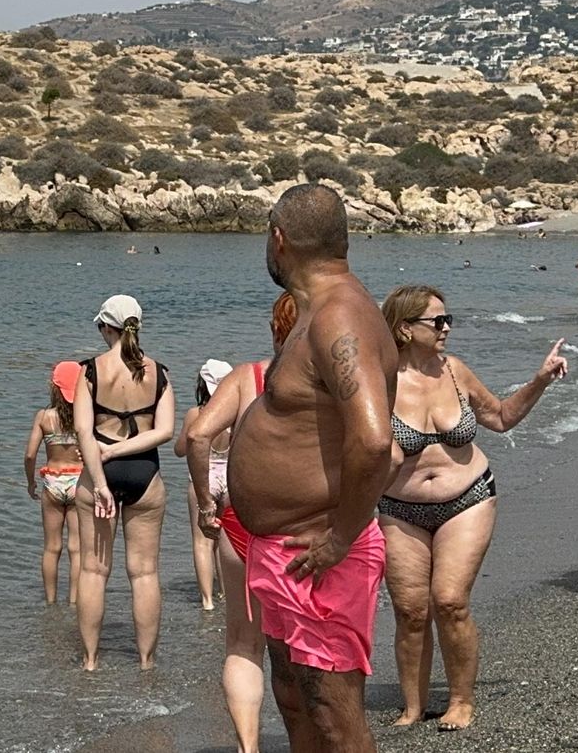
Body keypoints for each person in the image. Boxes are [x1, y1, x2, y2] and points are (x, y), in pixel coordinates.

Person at [229, 184, 398, 753]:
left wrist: (341, 537)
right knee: (295, 698)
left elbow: (374, 442)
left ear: (279, 240)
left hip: (319, 554)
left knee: (333, 714)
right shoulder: (319, 314)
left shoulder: (338, 319)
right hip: (289, 552)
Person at [379, 286, 565, 731]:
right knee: (409, 609)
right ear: (405, 328)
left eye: (448, 320)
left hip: (468, 499)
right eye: (436, 322)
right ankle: (411, 706)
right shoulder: (379, 382)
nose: (447, 328)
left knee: (450, 600)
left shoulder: (455, 372)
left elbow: (500, 418)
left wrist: (539, 379)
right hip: (399, 508)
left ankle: (461, 701)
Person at [184, 291, 297, 753]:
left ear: (275, 331)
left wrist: (208, 505)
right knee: (298, 644)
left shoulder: (249, 377)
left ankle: (248, 748)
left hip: (240, 516)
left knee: (243, 641)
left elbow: (196, 434)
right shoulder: (333, 382)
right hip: (302, 524)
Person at [73, 294, 174, 671]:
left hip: (99, 473)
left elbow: (84, 431)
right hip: (145, 474)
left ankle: (90, 661)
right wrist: (125, 451)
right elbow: (164, 431)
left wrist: (101, 477)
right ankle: (146, 662)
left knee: (94, 571)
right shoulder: (159, 372)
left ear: (107, 327)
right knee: (145, 572)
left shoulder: (90, 371)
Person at [23, 361, 84, 605]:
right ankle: (73, 601)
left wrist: (30, 483)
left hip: (53, 482)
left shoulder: (45, 417)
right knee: (76, 548)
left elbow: (29, 455)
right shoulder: (85, 417)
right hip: (79, 482)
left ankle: (50, 602)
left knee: (52, 547)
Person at [174, 358, 232, 612]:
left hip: (203, 479)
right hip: (229, 480)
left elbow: (179, 450)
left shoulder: (196, 414)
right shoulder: (235, 413)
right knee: (224, 539)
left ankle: (207, 601)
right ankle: (226, 593)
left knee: (201, 541)